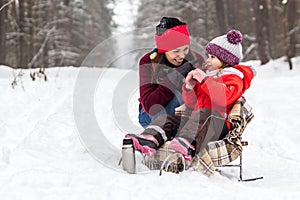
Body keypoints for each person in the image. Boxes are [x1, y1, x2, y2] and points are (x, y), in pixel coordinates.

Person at [125, 29, 254, 161]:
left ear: (226, 60)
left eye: (212, 57)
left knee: (205, 113)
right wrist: (189, 87)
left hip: (217, 124)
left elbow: (223, 97)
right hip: (196, 122)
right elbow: (192, 103)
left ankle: (187, 144)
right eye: (208, 56)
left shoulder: (234, 78)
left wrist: (204, 80)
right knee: (169, 119)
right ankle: (150, 138)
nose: (208, 60)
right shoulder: (209, 76)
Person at [137, 17, 204, 128]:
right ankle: (163, 132)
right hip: (151, 114)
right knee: (177, 95)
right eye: (176, 51)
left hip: (185, 112)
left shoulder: (196, 59)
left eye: (185, 49)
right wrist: (173, 78)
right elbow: (150, 106)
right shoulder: (148, 61)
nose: (182, 55)